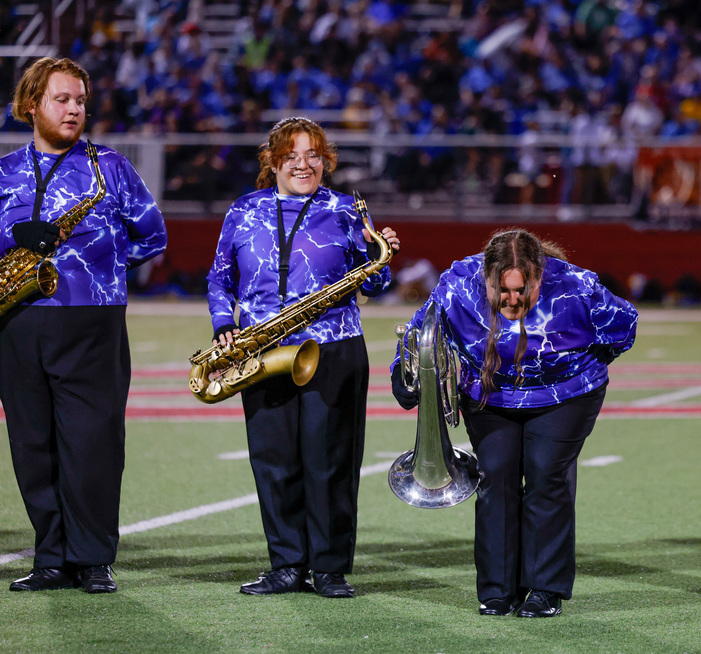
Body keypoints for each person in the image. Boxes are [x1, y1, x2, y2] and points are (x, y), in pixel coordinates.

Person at [391, 229, 637, 618]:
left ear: (540, 275)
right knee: (496, 477)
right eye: (501, 290)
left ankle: (544, 589)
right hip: (490, 394)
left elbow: (625, 325)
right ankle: (497, 591)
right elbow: (423, 329)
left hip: (565, 395)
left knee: (545, 475)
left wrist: (582, 366)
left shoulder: (575, 286)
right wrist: (405, 375)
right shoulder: (457, 284)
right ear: (486, 277)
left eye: (523, 289)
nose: (512, 299)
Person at [205, 117, 400, 598]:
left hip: (332, 347)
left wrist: (384, 255)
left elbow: (374, 283)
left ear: (325, 161)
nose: (303, 164)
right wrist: (224, 325)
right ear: (272, 161)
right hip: (262, 348)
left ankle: (329, 567)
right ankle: (286, 564)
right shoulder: (243, 210)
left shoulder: (346, 209)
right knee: (273, 461)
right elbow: (219, 279)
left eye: (313, 154)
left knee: (330, 460)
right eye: (291, 155)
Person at [0, 57, 167, 593]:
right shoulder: (3, 173)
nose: (75, 110)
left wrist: (99, 262)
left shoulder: (109, 168)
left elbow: (152, 235)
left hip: (92, 319)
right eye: (62, 99)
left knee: (93, 442)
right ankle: (51, 557)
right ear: (32, 105)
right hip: (18, 321)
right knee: (32, 442)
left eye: (80, 101)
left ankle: (93, 558)